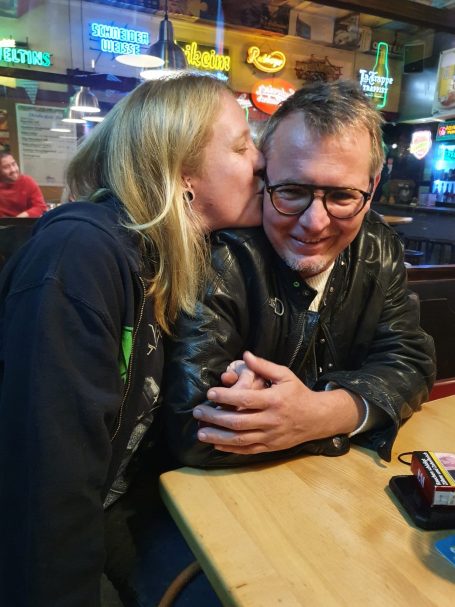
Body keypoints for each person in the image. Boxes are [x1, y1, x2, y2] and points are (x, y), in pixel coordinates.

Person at [0, 74, 264, 607]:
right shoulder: (82, 254)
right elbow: (48, 486)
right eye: (241, 145)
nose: (260, 162)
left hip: (119, 514)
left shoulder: (171, 260)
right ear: (183, 171)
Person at [164, 80, 436, 468]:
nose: (314, 222)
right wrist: (331, 420)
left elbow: (411, 360)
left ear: (372, 188)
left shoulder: (379, 247)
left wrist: (321, 414)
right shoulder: (221, 258)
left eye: (342, 196)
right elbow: (196, 429)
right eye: (291, 190)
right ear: (264, 175)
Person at [0, 151, 47, 217]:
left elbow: (41, 207)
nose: (13, 170)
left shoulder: (27, 182)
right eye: (6, 167)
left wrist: (18, 219)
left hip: (26, 224)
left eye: (14, 164)